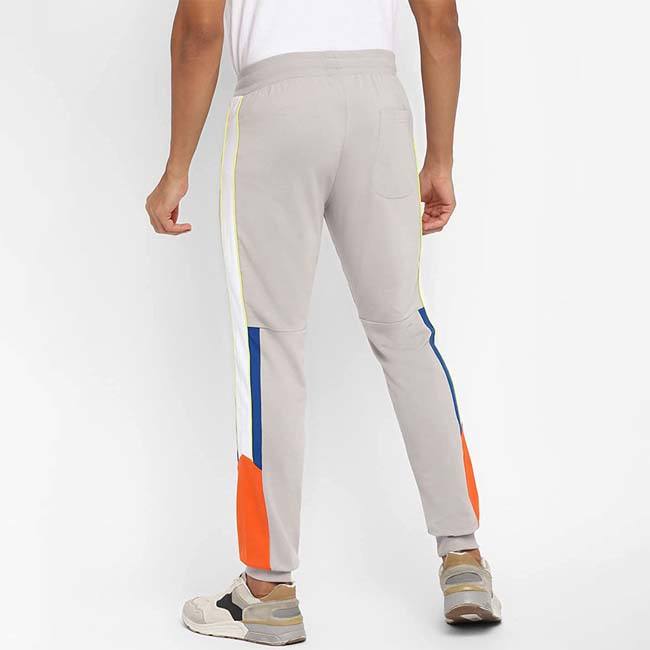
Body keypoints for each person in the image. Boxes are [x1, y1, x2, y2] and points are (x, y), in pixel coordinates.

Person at [146, 0, 501, 642]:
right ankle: (464, 560)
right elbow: (441, 22)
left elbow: (199, 30)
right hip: (378, 105)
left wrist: (176, 168)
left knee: (271, 344)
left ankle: (267, 590)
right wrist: (440, 157)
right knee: (404, 331)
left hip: (276, 107)